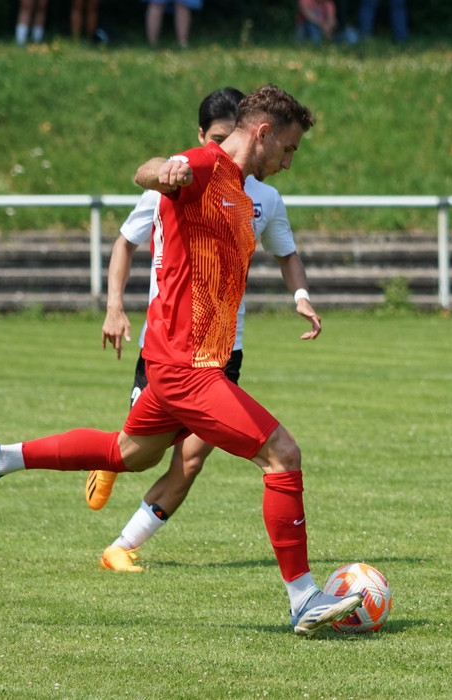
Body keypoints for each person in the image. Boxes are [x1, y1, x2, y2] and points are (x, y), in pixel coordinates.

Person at [0, 84, 363, 636]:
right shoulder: (203, 166)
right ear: (264, 133)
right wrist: (163, 172)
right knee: (282, 454)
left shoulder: (244, 190)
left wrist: (299, 295)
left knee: (126, 453)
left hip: (181, 363)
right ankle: (303, 598)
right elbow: (146, 171)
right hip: (187, 367)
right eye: (288, 149)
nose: (289, 163)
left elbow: (274, 251)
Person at [92, 86, 321, 574]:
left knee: (190, 460)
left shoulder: (262, 197)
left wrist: (301, 296)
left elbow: (287, 254)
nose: (221, 147)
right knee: (137, 453)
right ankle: (106, 459)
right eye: (214, 138)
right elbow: (128, 231)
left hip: (223, 353)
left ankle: (121, 546)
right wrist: (114, 307)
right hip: (170, 346)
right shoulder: (186, 176)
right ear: (203, 137)